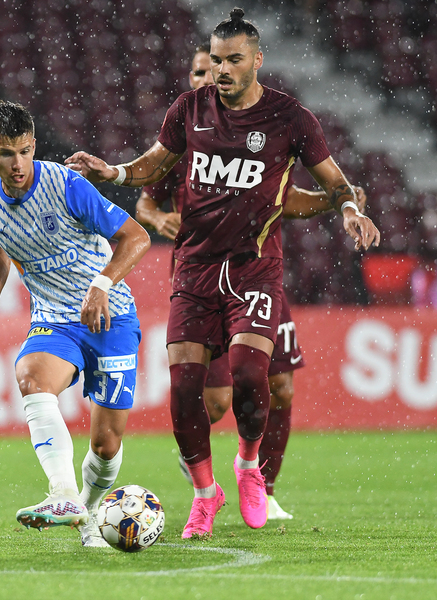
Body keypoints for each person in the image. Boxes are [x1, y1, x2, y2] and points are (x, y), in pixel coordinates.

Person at [66, 8, 379, 539]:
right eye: (216, 60)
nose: (223, 70)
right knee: (185, 388)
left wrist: (349, 210)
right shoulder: (189, 108)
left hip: (254, 269)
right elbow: (153, 167)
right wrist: (112, 171)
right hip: (194, 266)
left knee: (253, 377)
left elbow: (335, 183)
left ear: (258, 60)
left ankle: (249, 465)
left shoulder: (291, 119)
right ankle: (205, 496)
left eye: (234, 60)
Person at [135, 42, 368, 521]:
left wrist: (337, 203)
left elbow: (287, 198)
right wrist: (160, 223)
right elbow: (146, 200)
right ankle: (204, 473)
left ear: (253, 62)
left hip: (258, 271)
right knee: (213, 396)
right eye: (203, 69)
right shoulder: (183, 135)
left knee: (275, 384)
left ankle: (263, 481)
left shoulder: (274, 122)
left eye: (220, 66)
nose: (210, 77)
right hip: (201, 273)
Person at [0, 99, 151, 547]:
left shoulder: (65, 185)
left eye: (25, 151)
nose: (18, 163)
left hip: (110, 317)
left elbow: (135, 237)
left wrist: (102, 284)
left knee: (105, 446)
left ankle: (88, 511)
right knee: (30, 378)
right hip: (54, 322)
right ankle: (63, 495)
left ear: (34, 145)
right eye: (7, 153)